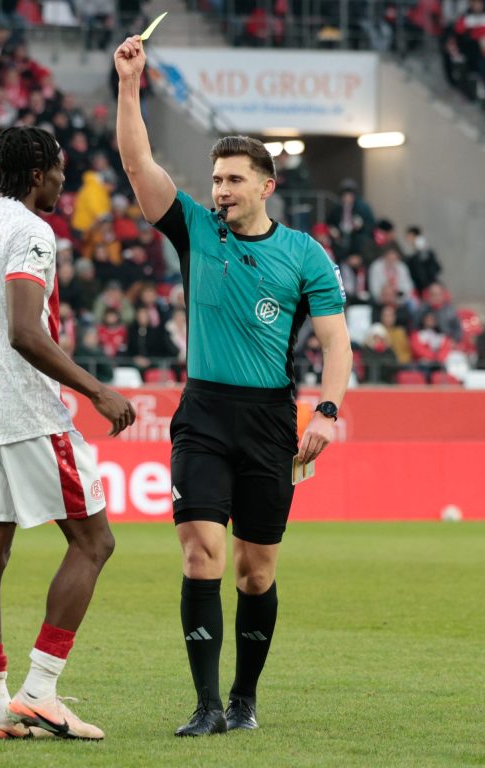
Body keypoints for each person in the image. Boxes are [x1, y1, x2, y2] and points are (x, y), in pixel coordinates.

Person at [115, 36, 351, 737]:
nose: (220, 190)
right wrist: (130, 85)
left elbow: (337, 343)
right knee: (200, 554)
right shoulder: (195, 230)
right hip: (203, 414)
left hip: (270, 419)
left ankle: (245, 700)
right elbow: (137, 164)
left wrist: (327, 412)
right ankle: (206, 705)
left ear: (265, 186)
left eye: (234, 180)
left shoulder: (305, 255)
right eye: (216, 179)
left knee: (255, 571)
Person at [0, 125, 136, 742]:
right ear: (37, 175)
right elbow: (25, 332)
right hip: (26, 411)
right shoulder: (30, 230)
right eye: (58, 170)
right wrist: (96, 389)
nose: (62, 181)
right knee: (94, 541)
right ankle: (40, 691)